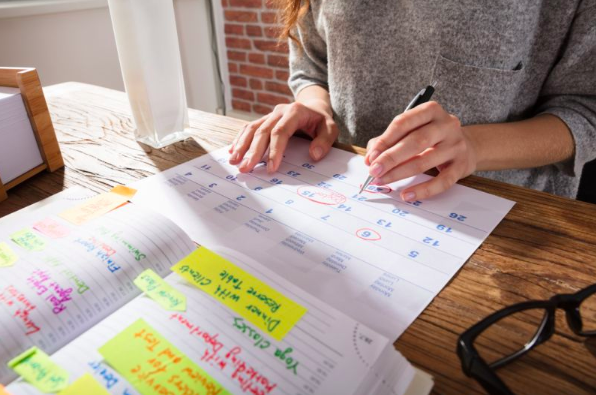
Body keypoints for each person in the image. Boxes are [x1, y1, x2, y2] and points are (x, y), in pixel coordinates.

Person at [229, 1, 596, 201]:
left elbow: (585, 108)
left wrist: (473, 147)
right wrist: (316, 106)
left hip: (507, 221)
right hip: (347, 187)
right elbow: (311, 64)